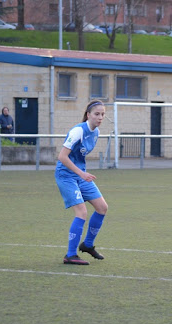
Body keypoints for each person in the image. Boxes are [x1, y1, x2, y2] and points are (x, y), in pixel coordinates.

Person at [56, 100, 108, 265]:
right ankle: (70, 255)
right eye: (96, 114)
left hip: (80, 174)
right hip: (66, 175)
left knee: (102, 208)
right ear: (88, 115)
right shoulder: (78, 131)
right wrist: (81, 173)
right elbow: (62, 157)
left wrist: (81, 173)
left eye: (102, 114)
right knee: (82, 212)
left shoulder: (96, 132)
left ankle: (87, 245)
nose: (100, 117)